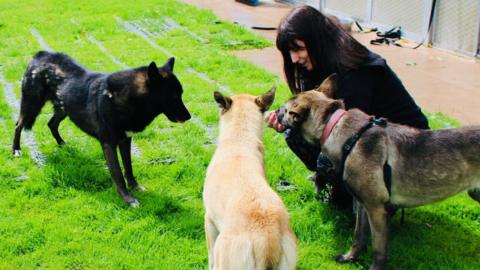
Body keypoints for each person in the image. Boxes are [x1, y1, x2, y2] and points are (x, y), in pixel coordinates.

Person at [266, 6, 429, 209]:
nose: (293, 58)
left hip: (408, 155)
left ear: (317, 41)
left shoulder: (355, 71)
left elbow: (351, 137)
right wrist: (286, 120)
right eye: (289, 52)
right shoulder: (325, 61)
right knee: (294, 132)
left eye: (298, 49)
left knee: (324, 151)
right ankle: (343, 188)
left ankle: (373, 198)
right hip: (375, 142)